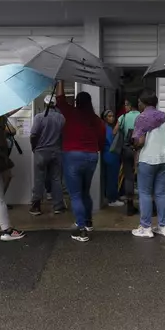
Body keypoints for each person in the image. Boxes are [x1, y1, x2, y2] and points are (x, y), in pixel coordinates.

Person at [56, 81, 106, 243]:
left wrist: (61, 81)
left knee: (75, 194)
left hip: (73, 156)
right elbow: (101, 141)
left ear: (77, 102)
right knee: (85, 192)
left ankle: (81, 229)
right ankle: (88, 222)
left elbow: (60, 100)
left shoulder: (71, 113)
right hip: (92, 156)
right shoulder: (96, 120)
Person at [131, 90, 165, 238]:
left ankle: (146, 227)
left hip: (148, 158)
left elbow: (140, 141)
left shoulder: (141, 117)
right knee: (160, 193)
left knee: (145, 193)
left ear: (144, 102)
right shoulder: (163, 116)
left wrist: (134, 146)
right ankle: (163, 226)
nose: (139, 104)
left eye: (140, 102)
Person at [29, 95, 66, 216]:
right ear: (55, 105)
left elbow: (33, 135)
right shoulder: (61, 118)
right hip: (56, 151)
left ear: (45, 104)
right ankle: (58, 206)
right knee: (56, 179)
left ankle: (36, 207)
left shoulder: (39, 117)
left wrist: (34, 147)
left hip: (41, 151)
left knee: (39, 179)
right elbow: (63, 135)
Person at [114, 96, 140, 216]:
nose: (125, 107)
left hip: (126, 149)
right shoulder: (142, 116)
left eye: (126, 105)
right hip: (139, 149)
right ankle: (148, 205)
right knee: (142, 176)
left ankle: (130, 205)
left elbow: (114, 131)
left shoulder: (123, 117)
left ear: (130, 105)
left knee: (128, 176)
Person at [101, 109, 123, 207]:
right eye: (109, 116)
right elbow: (111, 142)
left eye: (112, 116)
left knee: (112, 177)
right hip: (110, 155)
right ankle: (112, 199)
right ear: (105, 118)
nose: (112, 118)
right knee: (112, 178)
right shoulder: (107, 129)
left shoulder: (109, 128)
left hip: (110, 155)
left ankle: (112, 196)